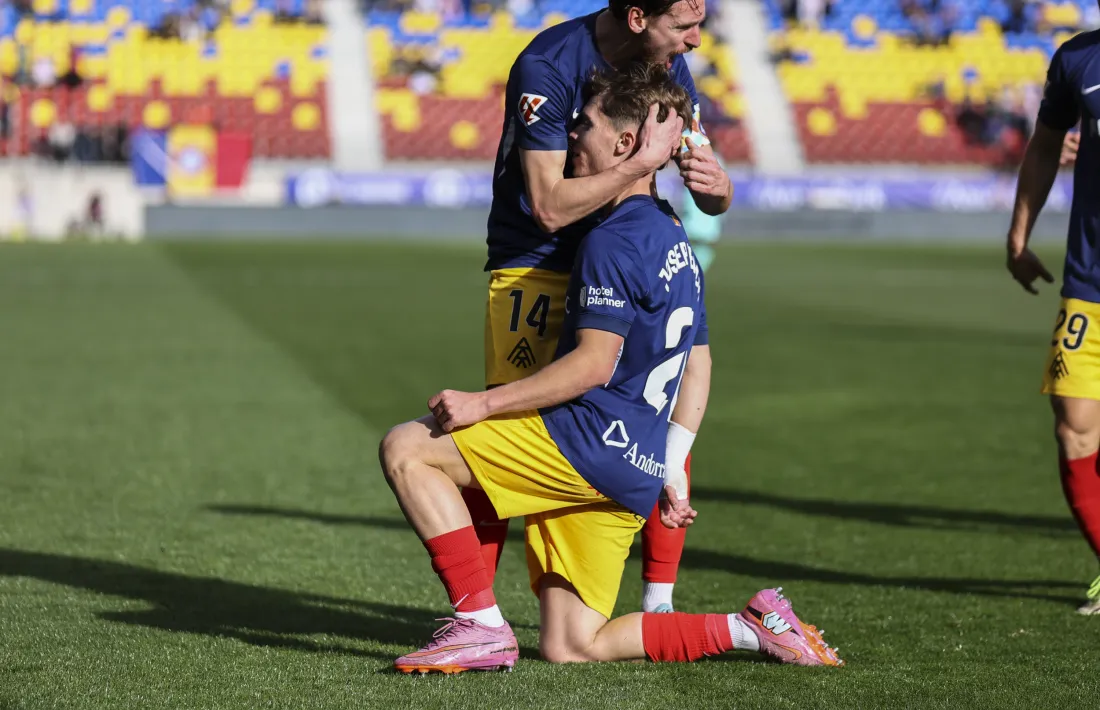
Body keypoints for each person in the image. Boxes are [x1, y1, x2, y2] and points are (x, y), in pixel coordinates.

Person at [378, 64, 842, 673]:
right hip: (632, 470)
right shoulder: (674, 235)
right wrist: (670, 467)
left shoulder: (612, 239)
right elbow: (697, 363)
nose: (572, 134)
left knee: (408, 448)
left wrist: (482, 403)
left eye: (587, 125)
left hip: (585, 444)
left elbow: (594, 365)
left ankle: (479, 625)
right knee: (572, 646)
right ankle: (751, 628)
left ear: (626, 144)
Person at [469, 0, 734, 616]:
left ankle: (659, 605)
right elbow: (550, 208)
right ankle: (474, 616)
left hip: (629, 251)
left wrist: (719, 190)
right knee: (498, 437)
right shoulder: (548, 67)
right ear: (638, 18)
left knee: (660, 424)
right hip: (538, 266)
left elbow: (709, 192)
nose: (696, 41)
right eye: (684, 27)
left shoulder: (668, 67)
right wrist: (642, 163)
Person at [1005, 28, 1100, 615]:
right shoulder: (1077, 58)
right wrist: (1018, 237)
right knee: (1075, 427)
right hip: (1090, 285)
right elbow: (1044, 147)